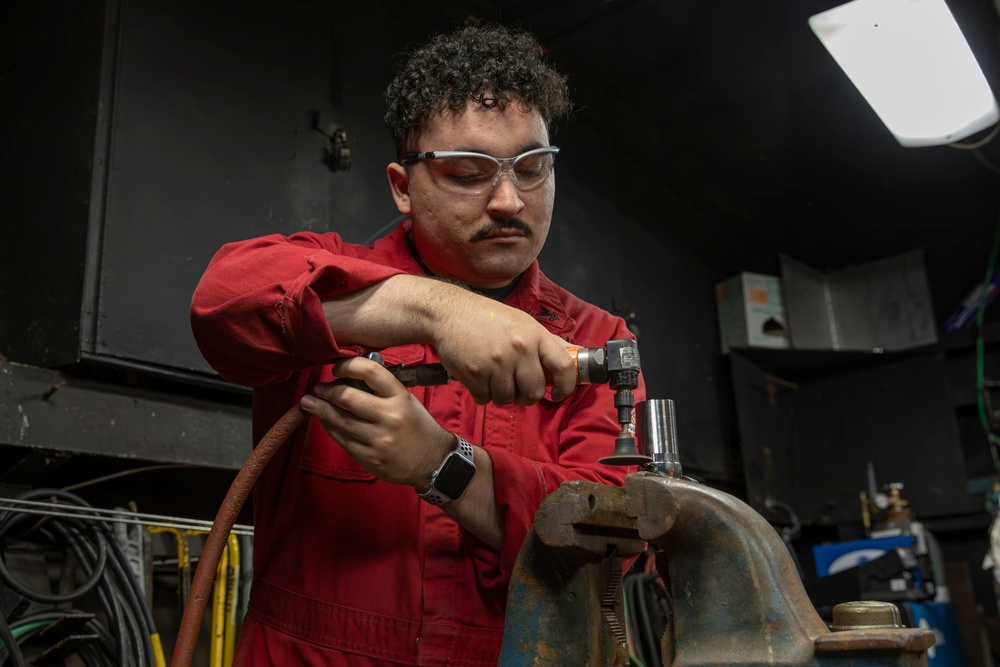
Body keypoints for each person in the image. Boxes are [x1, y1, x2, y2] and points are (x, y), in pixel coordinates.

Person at [190, 23, 645, 666]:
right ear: (403, 186)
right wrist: (436, 309)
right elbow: (219, 304)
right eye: (468, 172)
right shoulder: (325, 270)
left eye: (534, 168)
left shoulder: (595, 339)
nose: (510, 200)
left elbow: (617, 540)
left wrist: (442, 465)